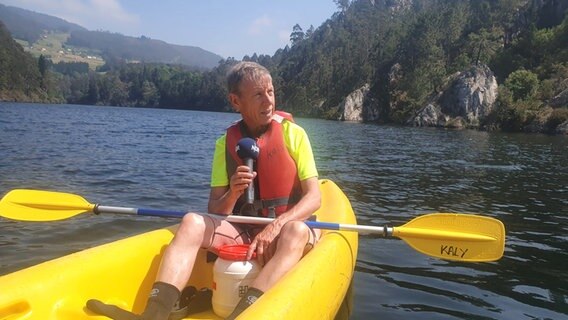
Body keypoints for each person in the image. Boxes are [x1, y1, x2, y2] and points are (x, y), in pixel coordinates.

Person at [86, 61, 321, 320]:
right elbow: (216, 210)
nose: (268, 101)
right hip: (247, 230)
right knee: (191, 222)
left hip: (288, 230)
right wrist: (232, 192)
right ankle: (154, 314)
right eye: (257, 94)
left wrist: (275, 226)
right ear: (235, 101)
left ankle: (242, 315)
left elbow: (314, 197)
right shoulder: (225, 144)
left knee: (295, 230)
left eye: (270, 92)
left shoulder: (294, 134)